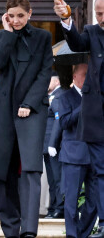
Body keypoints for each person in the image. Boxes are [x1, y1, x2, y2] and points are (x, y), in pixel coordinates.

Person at [0, 0, 53, 238]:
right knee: (3, 169)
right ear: (6, 16)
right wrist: (7, 32)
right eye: (12, 16)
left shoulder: (43, 37)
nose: (17, 20)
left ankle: (29, 230)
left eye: (21, 15)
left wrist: (29, 103)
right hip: (4, 111)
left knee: (30, 170)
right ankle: (10, 228)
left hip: (33, 110)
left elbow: (44, 73)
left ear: (30, 14)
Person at [54, 0, 104, 238]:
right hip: (82, 141)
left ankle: (90, 230)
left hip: (93, 141)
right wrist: (66, 19)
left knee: (96, 192)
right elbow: (76, 42)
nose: (100, 17)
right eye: (97, 12)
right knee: (75, 197)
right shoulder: (92, 32)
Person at [50, 64, 97, 238]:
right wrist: (83, 106)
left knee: (94, 201)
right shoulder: (64, 97)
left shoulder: (97, 96)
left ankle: (82, 233)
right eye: (85, 74)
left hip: (95, 154)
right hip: (73, 156)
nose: (88, 78)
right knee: (71, 200)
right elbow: (64, 123)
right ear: (75, 77)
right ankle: (72, 234)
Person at [43, 71, 64, 219]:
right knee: (51, 180)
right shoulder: (50, 96)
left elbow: (58, 120)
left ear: (56, 81)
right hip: (46, 145)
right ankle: (53, 207)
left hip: (54, 145)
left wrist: (53, 144)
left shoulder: (59, 94)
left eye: (48, 80)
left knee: (57, 179)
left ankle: (59, 208)